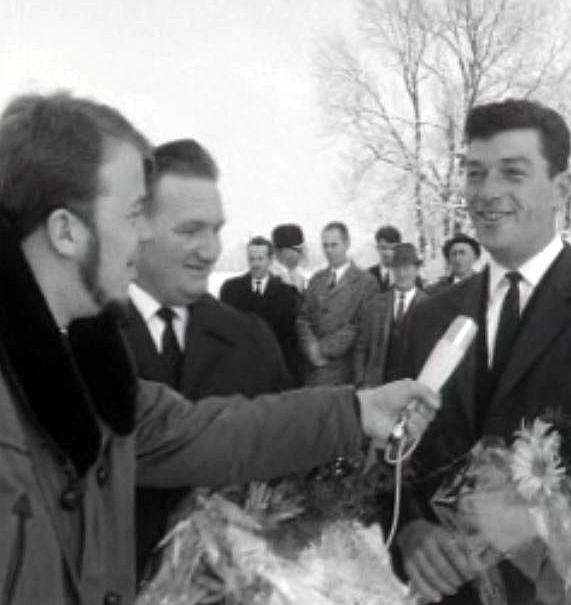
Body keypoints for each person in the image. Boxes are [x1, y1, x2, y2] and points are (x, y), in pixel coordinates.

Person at [0, 92, 438, 605]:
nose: (144, 236)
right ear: (66, 232)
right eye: (134, 214)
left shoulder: (92, 375)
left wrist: (357, 409)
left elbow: (216, 431)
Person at [393, 99, 571, 604]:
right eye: (475, 174)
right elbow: (390, 465)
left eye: (512, 174)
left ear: (562, 188)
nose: (487, 193)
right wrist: (410, 532)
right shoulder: (429, 318)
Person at [124, 140, 295, 578]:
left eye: (217, 229)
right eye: (190, 230)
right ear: (137, 225)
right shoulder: (78, 339)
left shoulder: (250, 340)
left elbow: (287, 473)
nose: (212, 250)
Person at [298, 221, 379, 386]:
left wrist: (323, 350)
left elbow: (359, 326)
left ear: (347, 244)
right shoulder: (316, 279)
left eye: (334, 245)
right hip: (313, 369)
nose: (329, 251)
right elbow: (303, 319)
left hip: (345, 370)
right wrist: (311, 347)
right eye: (325, 245)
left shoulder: (366, 282)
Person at [220, 235, 304, 385]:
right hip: (242, 373)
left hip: (277, 375)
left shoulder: (287, 294)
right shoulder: (230, 290)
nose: (255, 264)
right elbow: (224, 334)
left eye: (260, 259)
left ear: (271, 260)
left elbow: (292, 341)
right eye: (251, 259)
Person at [355, 243, 428, 387]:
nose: (401, 274)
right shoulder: (375, 304)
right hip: (379, 385)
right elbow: (361, 347)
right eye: (397, 268)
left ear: (417, 270)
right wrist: (361, 381)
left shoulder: (429, 305)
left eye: (406, 268)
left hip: (414, 386)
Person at [271, 222, 309, 293]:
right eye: (298, 250)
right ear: (279, 251)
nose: (302, 254)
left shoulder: (299, 276)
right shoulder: (270, 279)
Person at [367, 224, 402, 291]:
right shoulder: (367, 276)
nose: (388, 253)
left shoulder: (409, 276)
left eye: (392, 248)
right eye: (383, 248)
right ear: (377, 248)